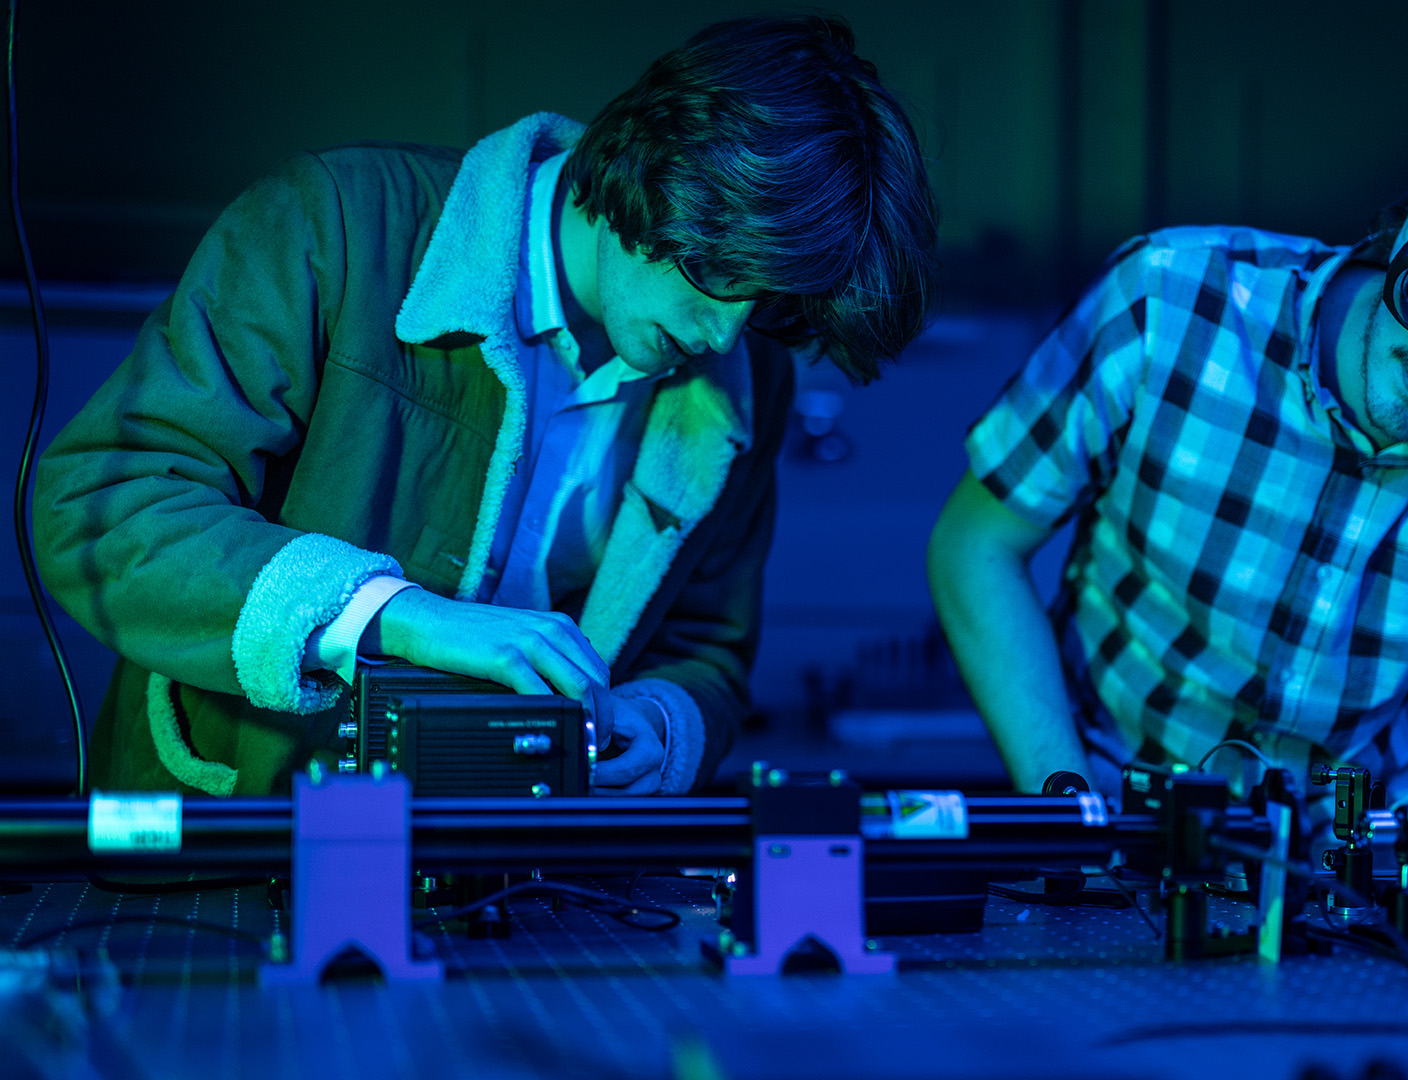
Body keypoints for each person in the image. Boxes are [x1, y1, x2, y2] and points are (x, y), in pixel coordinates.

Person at [34, 14, 937, 797]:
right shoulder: (337, 226)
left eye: (771, 307)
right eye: (719, 273)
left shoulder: (743, 384)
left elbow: (705, 644)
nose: (723, 336)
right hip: (241, 846)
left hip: (523, 885)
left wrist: (658, 733)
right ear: (653, 168)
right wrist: (397, 616)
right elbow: (106, 511)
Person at [928, 110, 1408, 860]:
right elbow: (975, 546)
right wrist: (1070, 814)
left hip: (1355, 860)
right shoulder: (1170, 300)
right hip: (1113, 812)